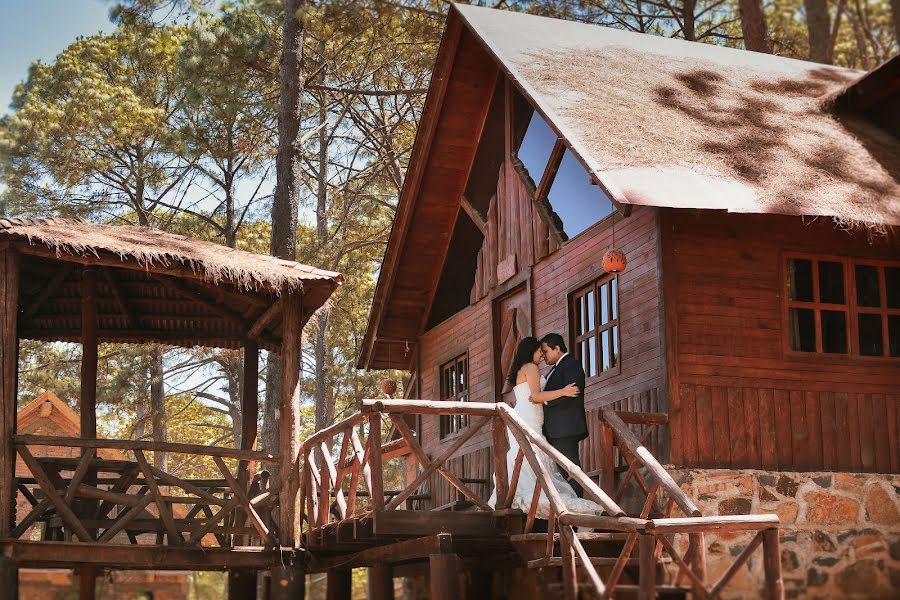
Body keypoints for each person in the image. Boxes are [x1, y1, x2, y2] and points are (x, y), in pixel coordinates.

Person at [487, 337, 601, 517]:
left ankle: (516, 494)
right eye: (539, 351)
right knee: (532, 455)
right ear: (531, 351)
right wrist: (563, 391)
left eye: (544, 351)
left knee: (527, 456)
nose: (541, 355)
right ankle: (544, 497)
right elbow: (536, 396)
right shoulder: (531, 368)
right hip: (530, 416)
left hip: (528, 415)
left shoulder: (523, 369)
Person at [536, 333, 588, 497]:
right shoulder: (555, 368)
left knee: (570, 470)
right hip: (554, 430)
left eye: (546, 351)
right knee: (560, 473)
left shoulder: (571, 365)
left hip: (565, 428)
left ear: (557, 348)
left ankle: (579, 507)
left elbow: (572, 393)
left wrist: (544, 401)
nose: (543, 356)